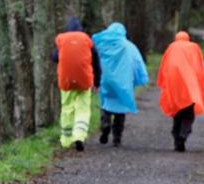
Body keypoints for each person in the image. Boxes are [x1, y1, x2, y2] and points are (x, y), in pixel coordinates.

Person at [156, 31, 204, 152]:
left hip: (173, 86)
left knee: (177, 113)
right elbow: (199, 67)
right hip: (189, 86)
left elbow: (164, 66)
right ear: (187, 38)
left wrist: (163, 82)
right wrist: (201, 83)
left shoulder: (171, 47)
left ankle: (176, 137)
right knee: (188, 114)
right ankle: (183, 134)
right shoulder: (194, 47)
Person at [92, 22, 149, 147]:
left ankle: (105, 125)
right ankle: (117, 137)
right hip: (123, 82)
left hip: (105, 81)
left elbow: (93, 61)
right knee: (120, 110)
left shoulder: (101, 44)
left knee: (106, 105)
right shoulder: (129, 47)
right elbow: (138, 63)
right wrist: (142, 78)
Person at [53, 17, 101, 152]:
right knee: (83, 109)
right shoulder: (87, 40)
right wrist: (97, 82)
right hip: (84, 81)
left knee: (67, 108)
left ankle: (66, 140)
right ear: (80, 29)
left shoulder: (62, 40)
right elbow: (96, 63)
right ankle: (79, 135)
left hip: (66, 80)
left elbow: (54, 57)